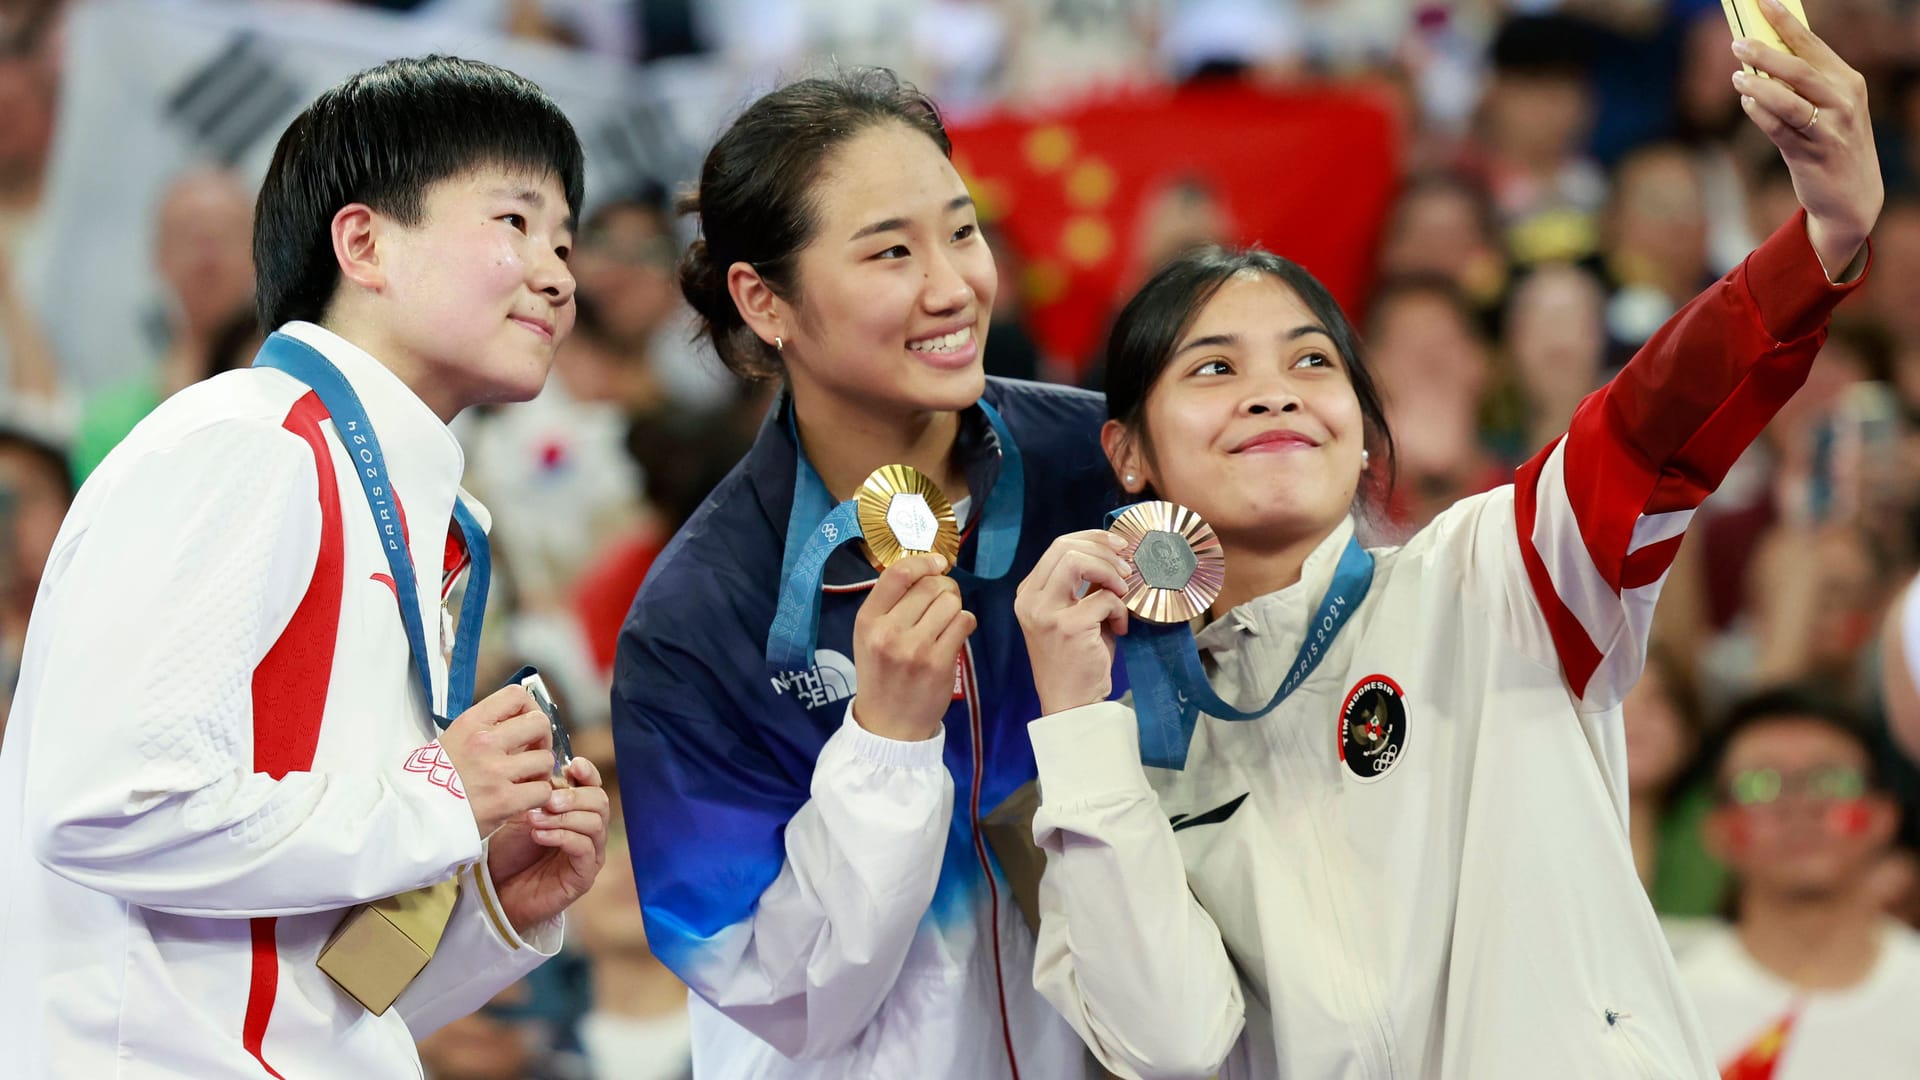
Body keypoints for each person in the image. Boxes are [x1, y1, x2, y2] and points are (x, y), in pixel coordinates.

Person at [1011, 5, 1880, 1076]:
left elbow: (1654, 419)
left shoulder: (1495, 573)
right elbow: (1170, 1043)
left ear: (1362, 429)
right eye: (1213, 369)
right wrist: (1075, 725)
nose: (1273, 393)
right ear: (1127, 453)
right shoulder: (1134, 762)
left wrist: (1821, 244)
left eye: (1312, 362)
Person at [0, 55, 611, 1078]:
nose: (557, 273)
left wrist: (487, 899)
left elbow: (336, 995)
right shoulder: (250, 445)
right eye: (514, 223)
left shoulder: (416, 513)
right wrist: (433, 800)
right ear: (364, 242)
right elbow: (102, 805)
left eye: (564, 240)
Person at [611, 67, 1116, 1079]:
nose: (954, 284)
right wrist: (885, 744)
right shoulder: (703, 616)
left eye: (961, 231)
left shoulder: (1103, 465)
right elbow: (777, 997)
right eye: (893, 250)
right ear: (764, 301)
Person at [1677, 686, 1920, 1078]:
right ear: (1718, 831)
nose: (1799, 806)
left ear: (1883, 817)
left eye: (1831, 780)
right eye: (1761, 784)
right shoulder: (1671, 1008)